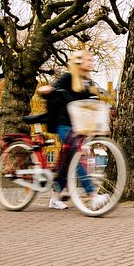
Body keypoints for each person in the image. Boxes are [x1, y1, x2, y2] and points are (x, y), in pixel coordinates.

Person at [37, 49, 110, 210]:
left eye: (91, 60)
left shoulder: (87, 83)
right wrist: (46, 90)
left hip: (78, 127)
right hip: (63, 123)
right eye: (88, 60)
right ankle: (92, 195)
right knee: (77, 153)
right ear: (78, 61)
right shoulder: (67, 78)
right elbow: (53, 90)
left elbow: (93, 104)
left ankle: (55, 198)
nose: (91, 62)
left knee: (67, 162)